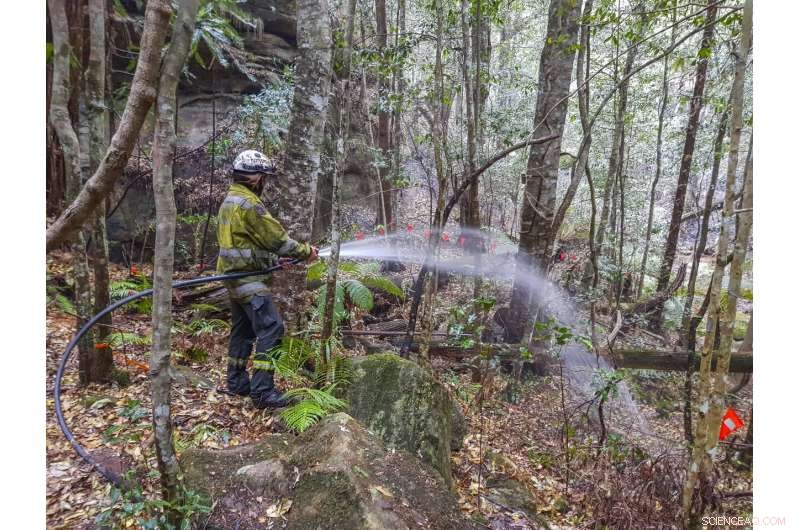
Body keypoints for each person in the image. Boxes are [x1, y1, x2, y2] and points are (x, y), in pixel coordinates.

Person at [216, 149, 318, 408]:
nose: (265, 182)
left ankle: (237, 383)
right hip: (247, 280)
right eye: (264, 177)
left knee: (243, 330)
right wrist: (305, 251)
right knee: (272, 328)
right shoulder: (250, 204)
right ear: (255, 177)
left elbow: (245, 243)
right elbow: (276, 240)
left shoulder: (230, 200)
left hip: (234, 276)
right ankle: (262, 391)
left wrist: (272, 263)